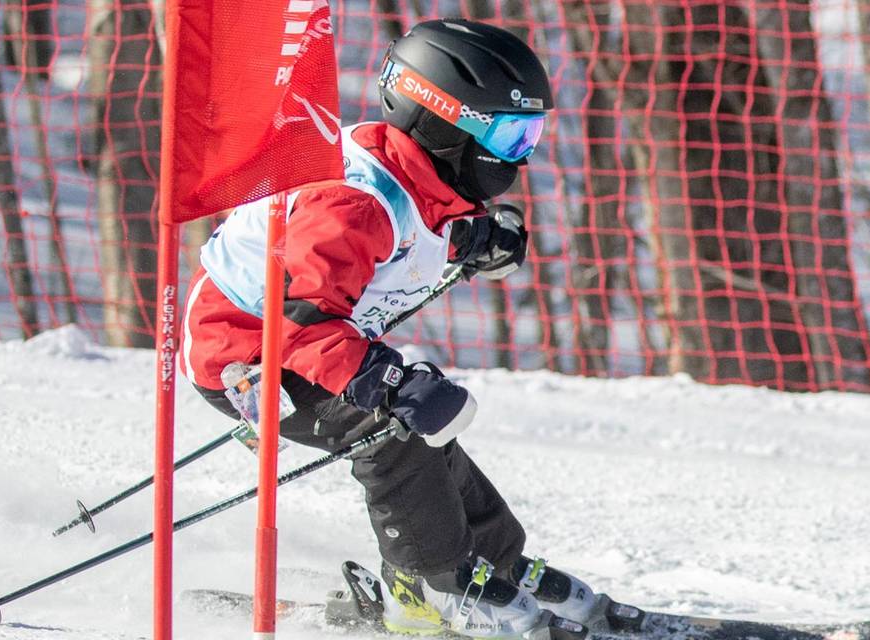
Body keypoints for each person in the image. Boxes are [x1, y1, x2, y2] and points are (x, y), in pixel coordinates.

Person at [179, 18, 600, 639]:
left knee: (430, 435)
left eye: (530, 133)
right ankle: (431, 585)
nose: (523, 154)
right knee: (393, 431)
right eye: (511, 135)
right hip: (250, 356)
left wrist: (474, 238)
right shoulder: (353, 202)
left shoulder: (416, 175)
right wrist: (387, 380)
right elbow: (302, 315)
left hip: (312, 340)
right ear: (443, 121)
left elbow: (414, 232)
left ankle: (492, 562)